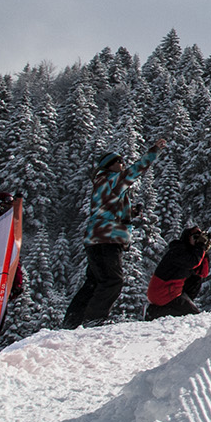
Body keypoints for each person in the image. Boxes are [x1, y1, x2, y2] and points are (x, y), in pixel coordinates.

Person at [64, 138, 168, 329]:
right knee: (113, 280)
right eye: (119, 162)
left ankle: (73, 320)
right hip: (108, 238)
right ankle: (94, 319)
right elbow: (136, 170)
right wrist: (154, 150)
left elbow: (106, 210)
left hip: (95, 238)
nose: (122, 165)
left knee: (95, 281)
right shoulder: (113, 180)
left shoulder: (101, 183)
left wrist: (129, 213)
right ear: (109, 166)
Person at [146, 226, 211, 319]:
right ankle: (154, 312)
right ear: (187, 238)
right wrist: (200, 247)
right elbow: (193, 262)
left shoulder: (189, 252)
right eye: (195, 237)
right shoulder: (178, 250)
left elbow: (202, 273)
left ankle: (178, 307)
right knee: (193, 315)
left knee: (196, 279)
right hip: (161, 292)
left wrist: (204, 252)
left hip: (172, 289)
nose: (197, 241)